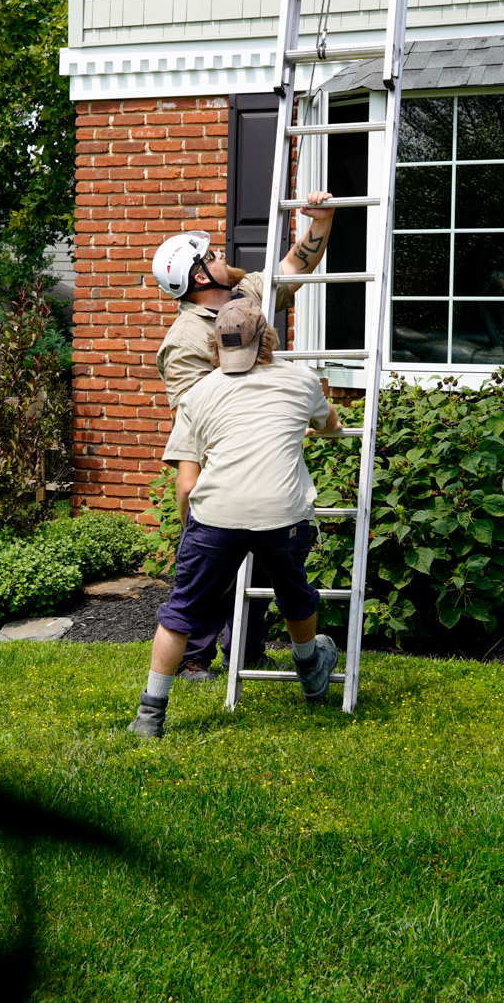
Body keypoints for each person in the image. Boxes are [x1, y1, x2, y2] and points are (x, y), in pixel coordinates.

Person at [128, 299, 344, 738]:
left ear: (217, 344)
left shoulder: (197, 394)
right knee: (295, 594)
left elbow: (186, 486)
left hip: (217, 519)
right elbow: (331, 427)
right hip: (282, 513)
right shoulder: (301, 380)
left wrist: (193, 530)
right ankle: (310, 672)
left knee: (181, 611)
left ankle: (150, 715)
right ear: (267, 337)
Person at [151, 191, 337, 680]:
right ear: (197, 276)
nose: (223, 258)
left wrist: (321, 218)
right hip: (218, 460)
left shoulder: (245, 299)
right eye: (212, 257)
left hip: (258, 453)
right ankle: (195, 657)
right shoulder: (185, 341)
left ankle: (247, 649)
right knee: (212, 568)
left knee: (259, 558)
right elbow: (194, 416)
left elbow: (296, 263)